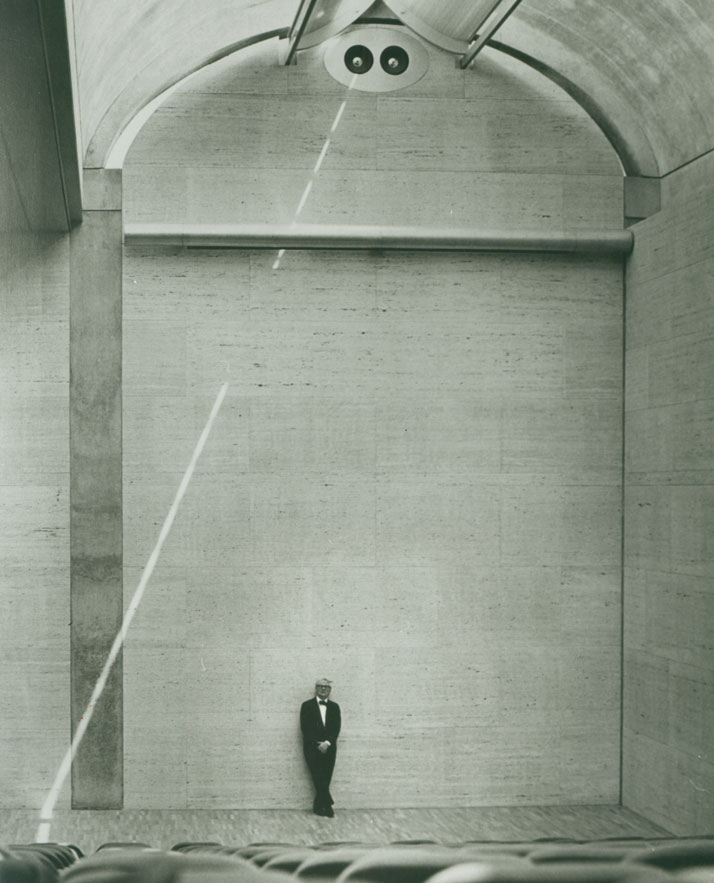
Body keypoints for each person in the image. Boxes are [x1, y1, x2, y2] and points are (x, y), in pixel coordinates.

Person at [300, 678, 341, 817]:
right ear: (316, 688)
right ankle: (328, 804)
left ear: (330, 690)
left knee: (326, 777)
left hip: (330, 747)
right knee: (317, 776)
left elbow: (336, 728)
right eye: (320, 686)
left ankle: (319, 806)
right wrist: (317, 744)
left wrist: (327, 743)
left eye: (326, 687)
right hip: (312, 748)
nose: (323, 689)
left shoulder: (335, 707)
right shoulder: (306, 705)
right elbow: (305, 728)